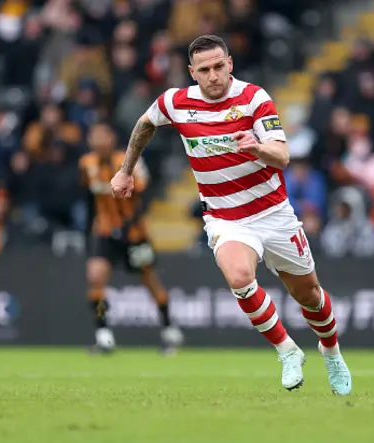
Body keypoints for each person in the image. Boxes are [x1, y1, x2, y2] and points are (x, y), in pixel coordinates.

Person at [110, 35, 352, 395]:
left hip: (273, 213)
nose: (212, 76)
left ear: (230, 64)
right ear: (192, 72)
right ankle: (287, 350)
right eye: (204, 70)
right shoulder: (176, 102)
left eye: (218, 67)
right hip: (226, 218)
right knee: (239, 277)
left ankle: (331, 353)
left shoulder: (255, 98)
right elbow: (145, 125)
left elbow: (283, 157)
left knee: (310, 296)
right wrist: (126, 170)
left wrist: (257, 147)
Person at [79, 121, 183, 355]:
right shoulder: (86, 164)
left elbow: (144, 196)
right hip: (104, 232)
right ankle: (103, 335)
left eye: (103, 135)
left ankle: (169, 330)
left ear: (112, 138)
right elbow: (88, 201)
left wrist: (127, 226)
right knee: (95, 277)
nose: (98, 140)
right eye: (94, 136)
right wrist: (88, 233)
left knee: (150, 281)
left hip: (134, 234)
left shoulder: (128, 161)